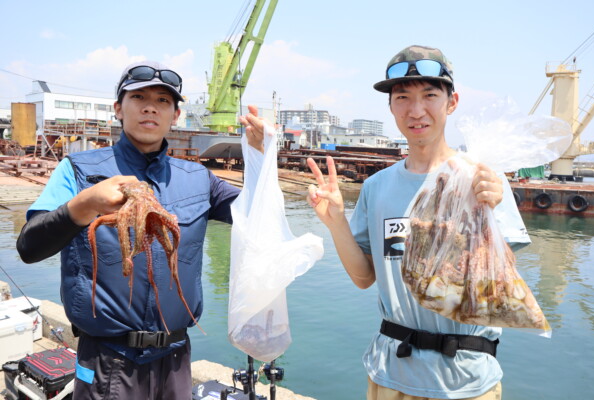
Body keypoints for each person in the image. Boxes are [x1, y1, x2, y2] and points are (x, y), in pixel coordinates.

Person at [16, 61, 267, 399]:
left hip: (176, 358)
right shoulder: (76, 170)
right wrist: (84, 205)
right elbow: (29, 247)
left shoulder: (199, 179)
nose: (151, 106)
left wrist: (261, 158)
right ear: (119, 108)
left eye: (164, 101)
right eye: (139, 97)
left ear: (175, 115)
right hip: (106, 357)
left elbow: (258, 215)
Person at [307, 45, 531, 400]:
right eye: (403, 97)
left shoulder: (483, 180)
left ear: (452, 102)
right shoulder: (376, 186)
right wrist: (335, 222)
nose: (416, 110)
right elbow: (365, 278)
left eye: (429, 95)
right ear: (391, 106)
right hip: (392, 374)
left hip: (466, 381)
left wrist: (489, 214)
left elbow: (500, 287)